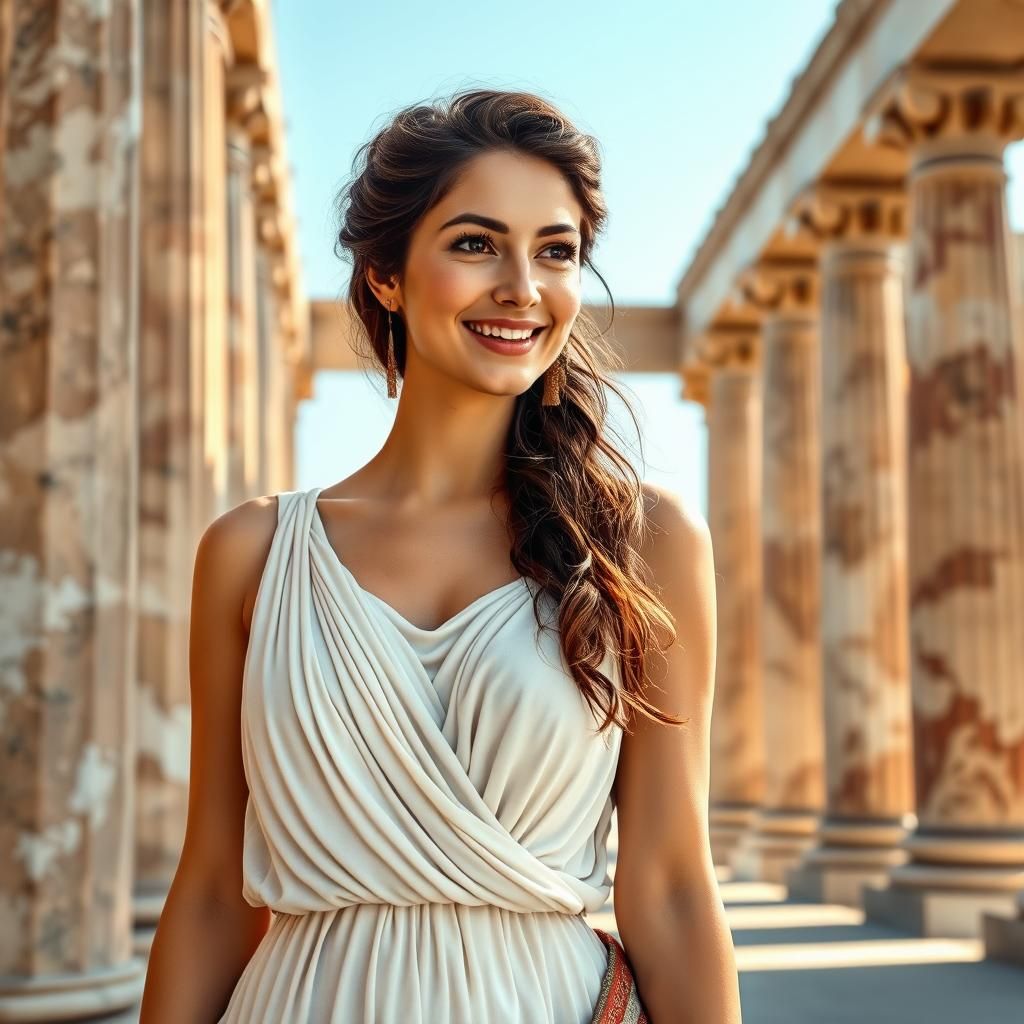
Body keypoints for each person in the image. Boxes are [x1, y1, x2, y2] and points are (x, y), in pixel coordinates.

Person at [139, 88, 741, 1024]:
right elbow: (217, 890)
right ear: (385, 274)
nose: (522, 287)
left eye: (556, 250)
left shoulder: (643, 542)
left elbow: (667, 888)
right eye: (475, 243)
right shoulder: (252, 552)